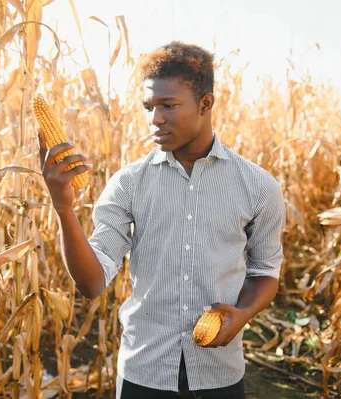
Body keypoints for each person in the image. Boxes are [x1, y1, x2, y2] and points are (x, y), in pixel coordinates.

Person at [38, 41, 286, 399]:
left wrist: (243, 314)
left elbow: (265, 271)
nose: (155, 119)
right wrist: (63, 208)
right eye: (148, 107)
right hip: (145, 371)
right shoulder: (128, 183)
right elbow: (91, 283)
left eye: (168, 105)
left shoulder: (257, 186)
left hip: (219, 372)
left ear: (206, 104)